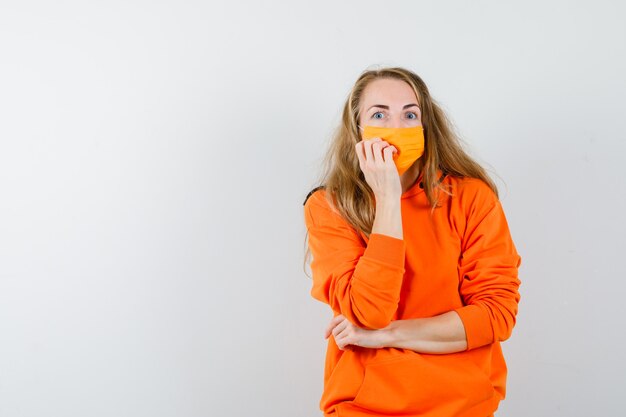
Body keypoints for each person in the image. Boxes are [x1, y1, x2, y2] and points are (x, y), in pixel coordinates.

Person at [302, 66, 522, 417]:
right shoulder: (330, 206)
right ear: (357, 129)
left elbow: (495, 316)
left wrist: (384, 336)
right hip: (362, 406)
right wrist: (388, 199)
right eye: (379, 115)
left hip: (464, 404)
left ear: (425, 126)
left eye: (410, 114)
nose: (396, 128)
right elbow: (368, 312)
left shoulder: (471, 198)